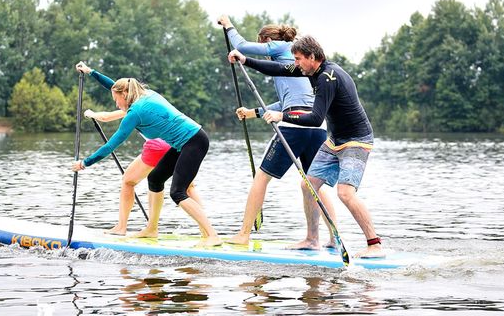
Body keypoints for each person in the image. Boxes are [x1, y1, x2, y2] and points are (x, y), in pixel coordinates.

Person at [228, 35, 384, 258]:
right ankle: (312, 240)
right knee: (307, 185)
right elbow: (278, 69)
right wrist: (245, 60)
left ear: (312, 57)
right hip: (335, 140)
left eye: (299, 59)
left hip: (356, 141)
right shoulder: (311, 70)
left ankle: (375, 244)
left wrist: (282, 115)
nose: (296, 64)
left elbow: (314, 117)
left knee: (345, 193)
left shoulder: (327, 78)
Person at [217, 15, 338, 248]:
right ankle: (330, 238)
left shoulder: (282, 47)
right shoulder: (294, 65)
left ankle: (243, 235)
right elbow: (286, 104)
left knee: (261, 178)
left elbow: (241, 46)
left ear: (266, 40)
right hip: (317, 127)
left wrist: (229, 25)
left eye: (262, 44)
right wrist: (253, 112)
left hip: (293, 126)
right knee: (314, 184)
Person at [71, 62, 221, 246]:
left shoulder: (135, 113)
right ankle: (151, 229)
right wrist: (90, 72)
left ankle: (212, 235)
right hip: (184, 142)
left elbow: (111, 145)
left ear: (125, 95)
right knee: (156, 178)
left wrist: (85, 163)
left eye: (116, 100)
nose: (116, 105)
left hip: (194, 141)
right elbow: (114, 86)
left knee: (178, 192)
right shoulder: (143, 93)